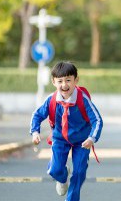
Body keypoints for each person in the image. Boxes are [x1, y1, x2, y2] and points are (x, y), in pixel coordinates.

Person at [30, 61, 103, 201]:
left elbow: (97, 120)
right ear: (53, 82)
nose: (64, 85)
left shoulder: (83, 99)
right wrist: (35, 132)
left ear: (76, 80)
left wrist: (92, 138)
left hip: (82, 141)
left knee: (79, 172)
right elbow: (37, 115)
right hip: (60, 138)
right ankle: (62, 178)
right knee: (55, 170)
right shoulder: (52, 100)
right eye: (60, 81)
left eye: (68, 80)